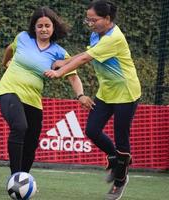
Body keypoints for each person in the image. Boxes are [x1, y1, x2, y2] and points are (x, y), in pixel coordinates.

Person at [44, 0, 141, 199]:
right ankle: (117, 160)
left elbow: (85, 59)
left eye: (93, 20)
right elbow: (86, 54)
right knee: (92, 130)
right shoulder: (97, 34)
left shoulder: (114, 38)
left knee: (122, 139)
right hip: (106, 92)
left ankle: (120, 180)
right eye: (88, 19)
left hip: (126, 93)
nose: (90, 23)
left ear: (107, 19)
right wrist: (65, 61)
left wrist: (60, 70)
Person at [0, 6, 94, 175]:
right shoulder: (23, 37)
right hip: (9, 90)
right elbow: (9, 50)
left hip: (33, 99)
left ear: (53, 27)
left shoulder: (59, 53)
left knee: (32, 141)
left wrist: (80, 95)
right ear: (34, 27)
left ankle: (24, 176)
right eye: (39, 25)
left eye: (47, 25)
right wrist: (6, 63)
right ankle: (15, 177)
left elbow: (73, 76)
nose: (43, 29)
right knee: (19, 127)